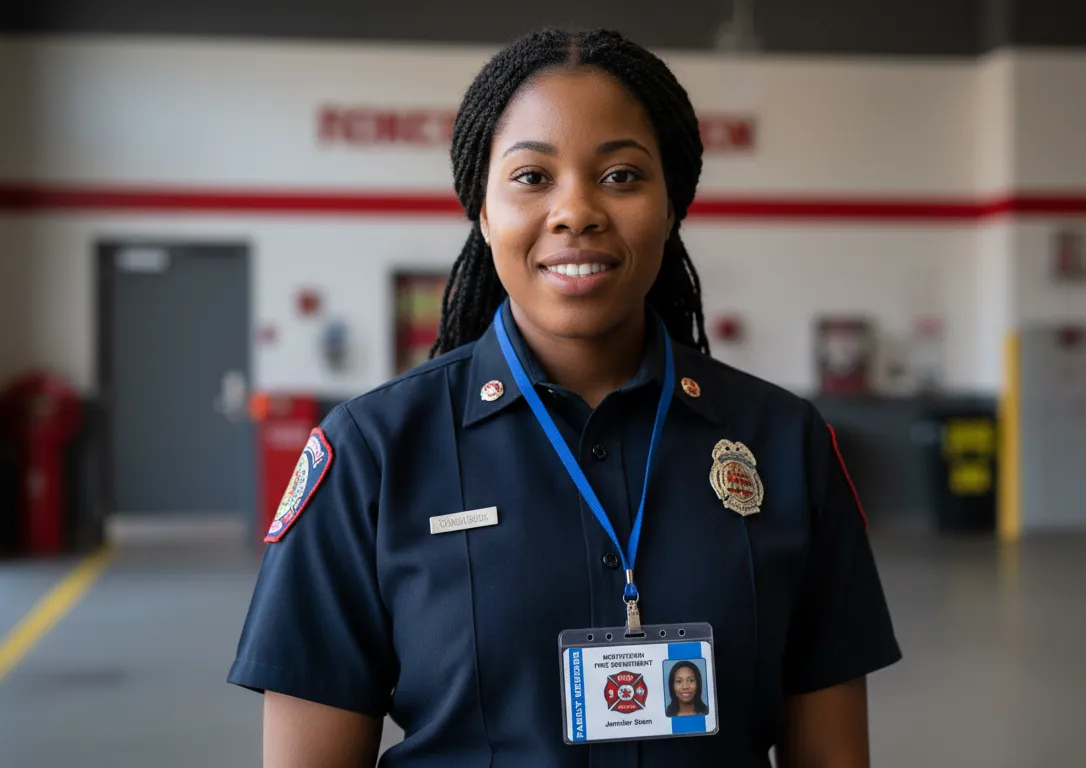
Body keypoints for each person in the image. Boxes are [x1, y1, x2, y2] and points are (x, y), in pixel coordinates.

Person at [228, 26, 901, 768]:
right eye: (531, 177)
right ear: (482, 213)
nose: (576, 211)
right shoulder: (373, 452)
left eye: (621, 176)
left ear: (672, 204)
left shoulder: (783, 443)